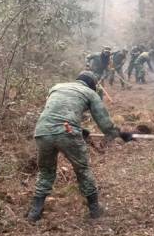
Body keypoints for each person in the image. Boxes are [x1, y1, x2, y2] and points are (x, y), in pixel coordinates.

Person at [27, 70, 133, 222]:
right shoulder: (90, 93)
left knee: (45, 172)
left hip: (42, 131)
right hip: (67, 131)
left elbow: (56, 112)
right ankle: (95, 211)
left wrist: (80, 130)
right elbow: (104, 123)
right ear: (92, 85)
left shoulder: (57, 87)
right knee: (82, 170)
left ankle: (34, 212)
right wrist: (120, 134)